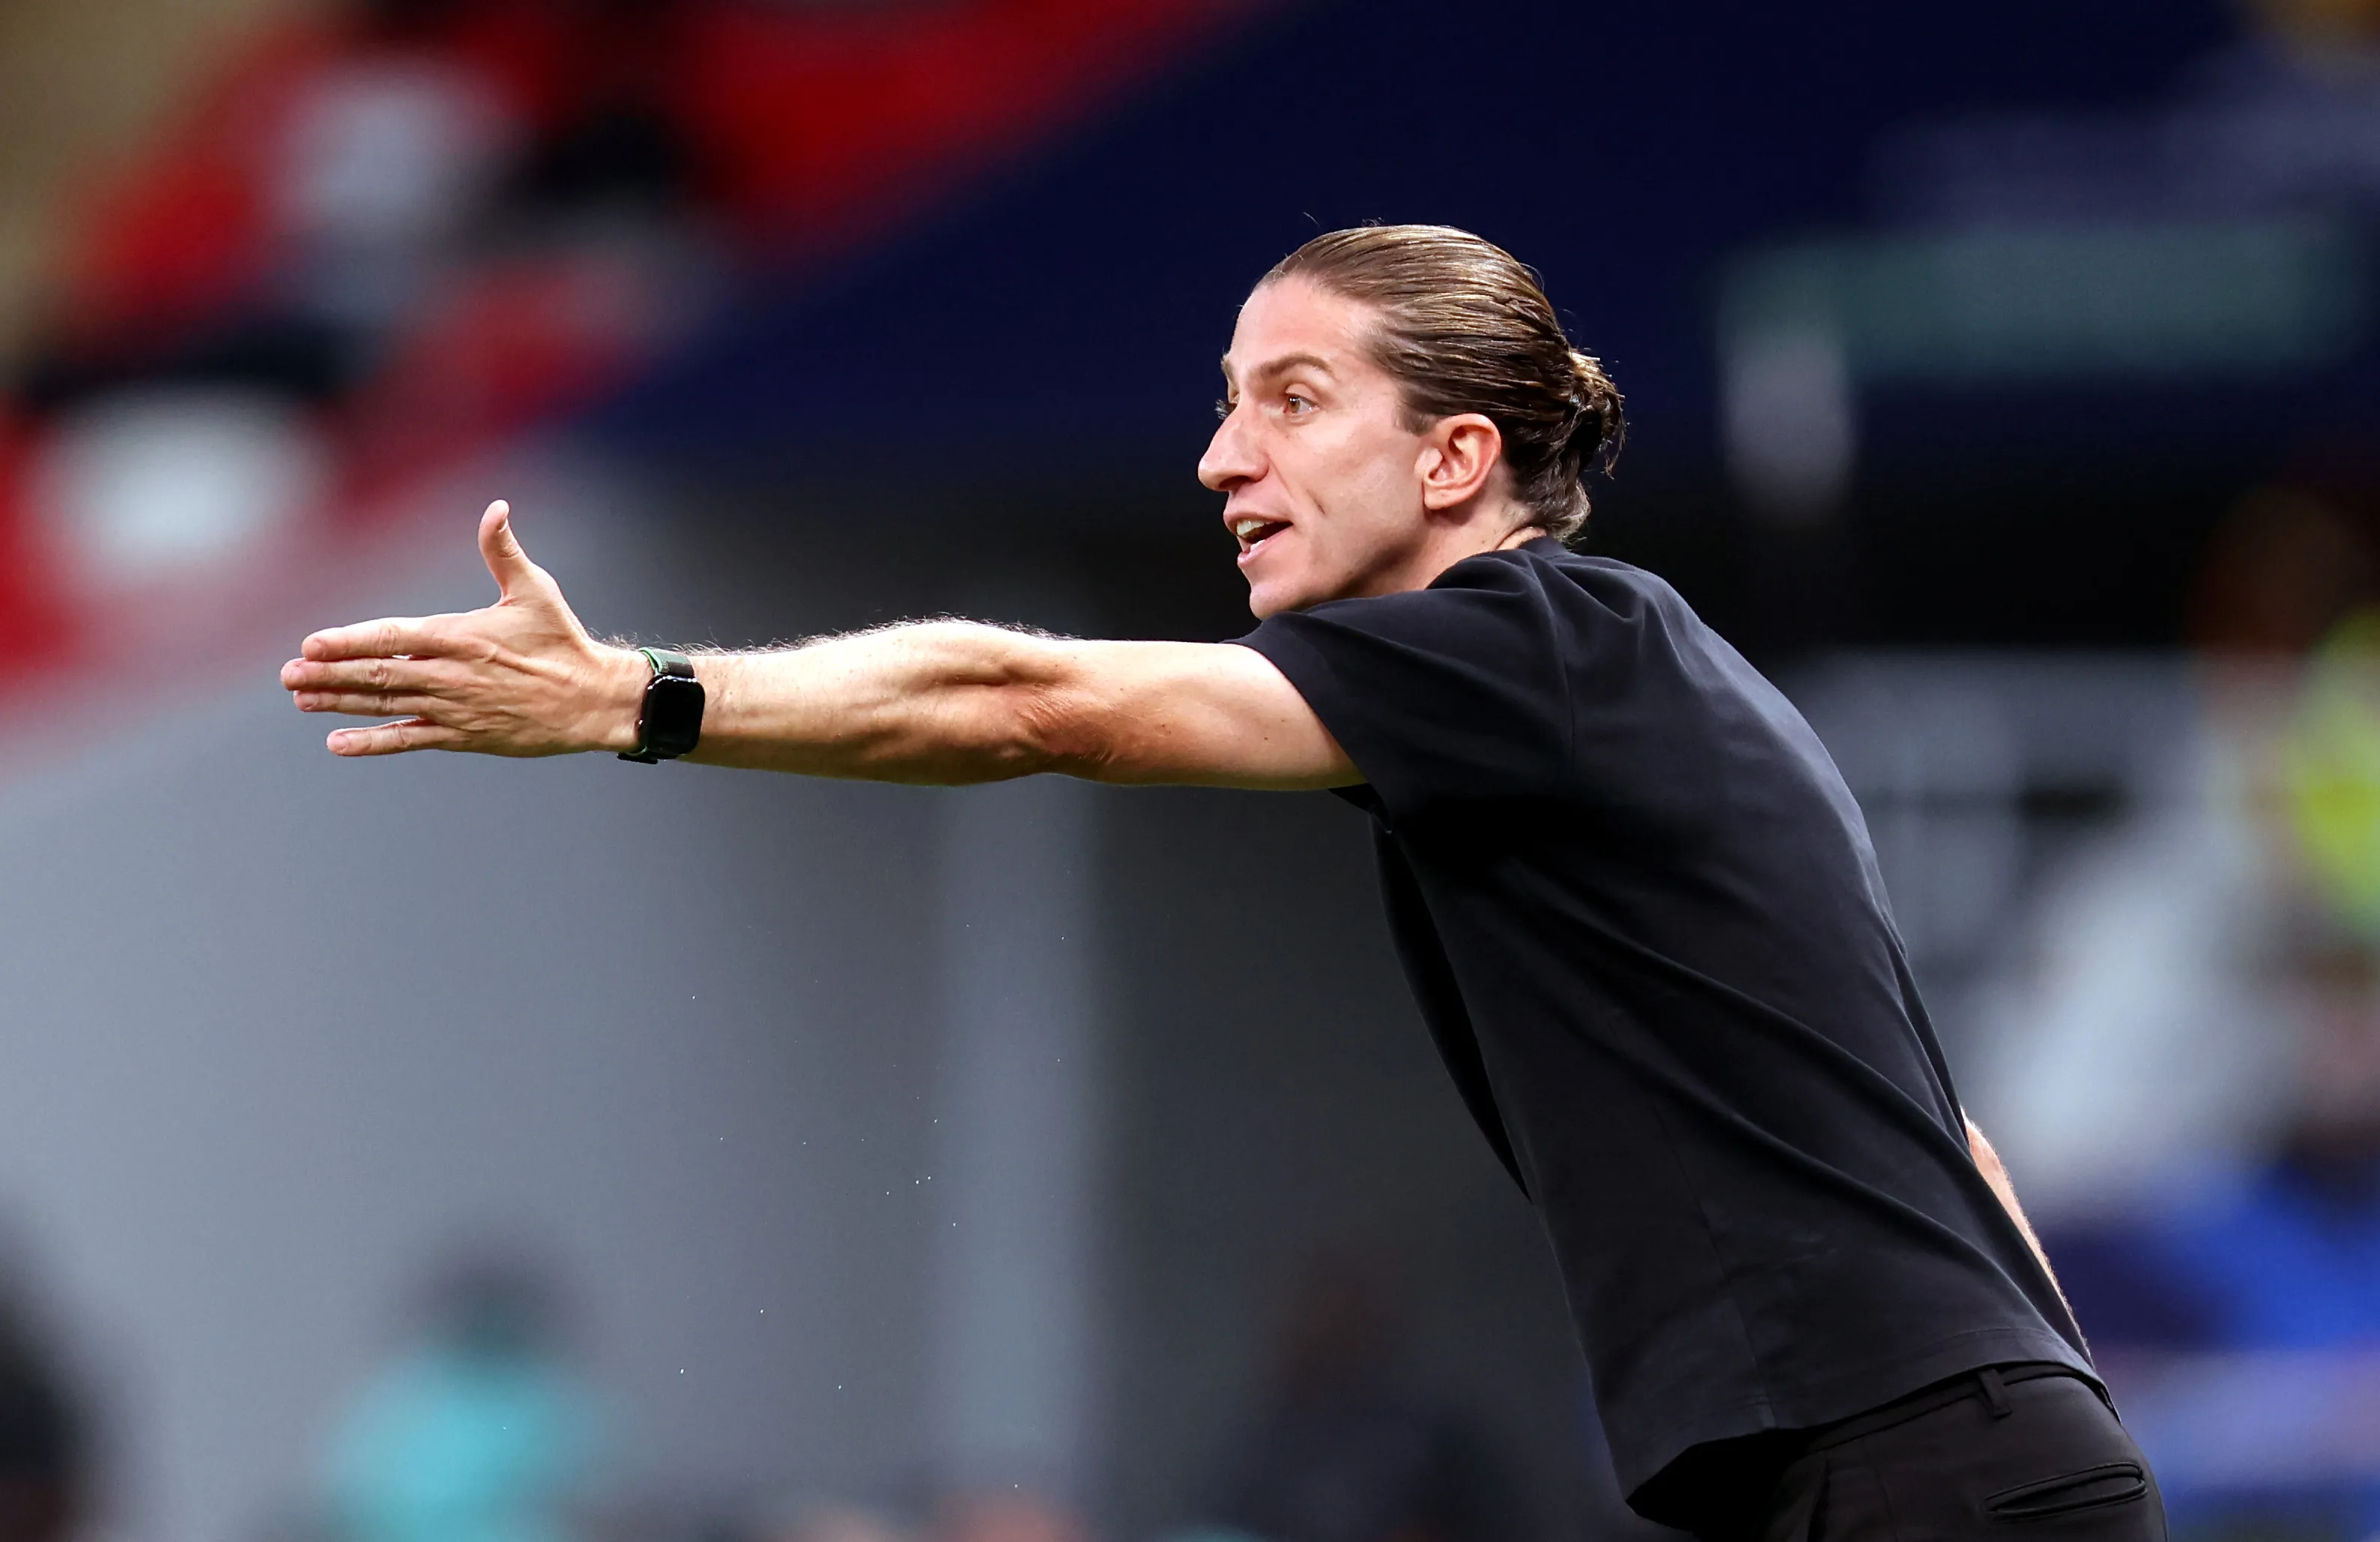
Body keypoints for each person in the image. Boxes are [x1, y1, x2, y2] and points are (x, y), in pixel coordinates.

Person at [282, 225, 2159, 1540]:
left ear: (1456, 456)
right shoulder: (1603, 681)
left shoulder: (1537, 644)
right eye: (1219, 401)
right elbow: (1950, 1140)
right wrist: (2046, 1424)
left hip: (1927, 1478)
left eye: (1288, 399)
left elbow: (1033, 703)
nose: (1217, 456)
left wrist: (639, 696)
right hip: (1944, 1465)